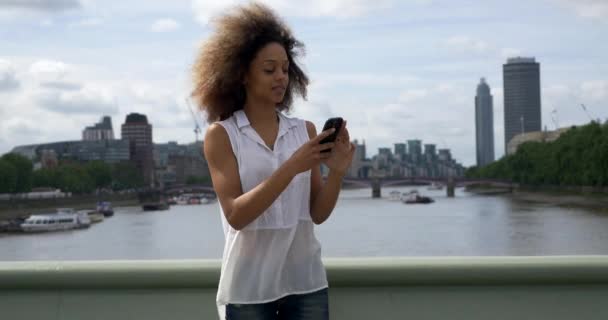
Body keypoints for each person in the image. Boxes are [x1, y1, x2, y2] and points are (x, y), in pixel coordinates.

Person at [191, 2, 355, 319]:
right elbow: (236, 215)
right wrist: (293, 166)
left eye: (284, 69)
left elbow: (317, 214)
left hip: (305, 283)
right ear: (241, 74)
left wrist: (336, 173)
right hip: (248, 290)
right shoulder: (222, 135)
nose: (281, 77)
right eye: (269, 69)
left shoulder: (304, 130)